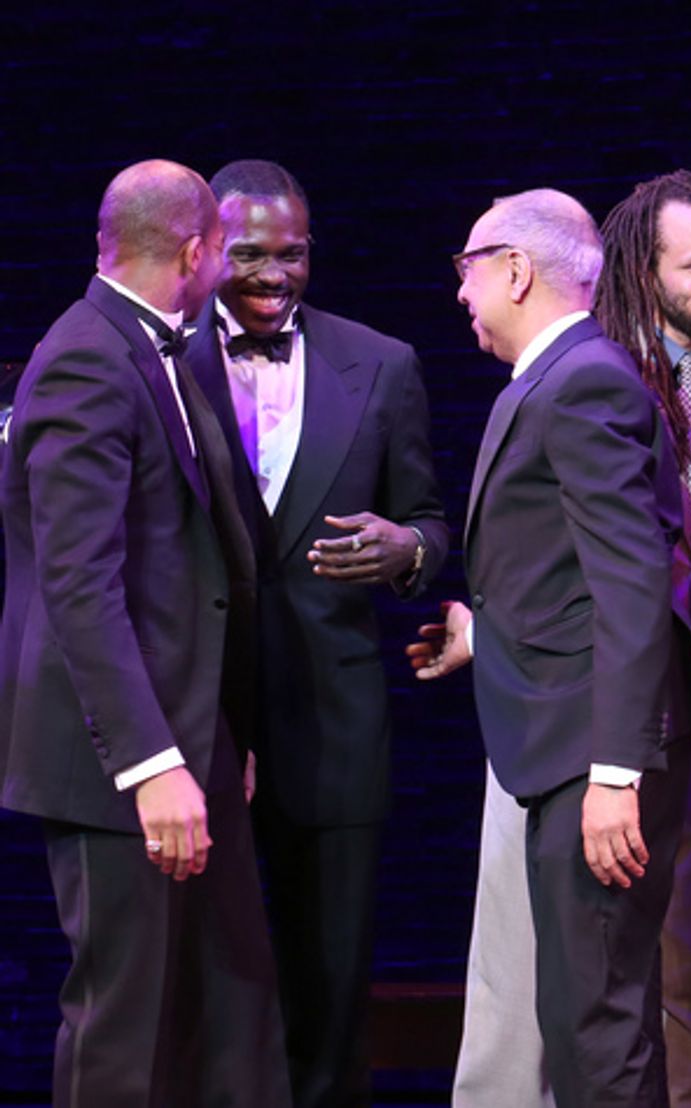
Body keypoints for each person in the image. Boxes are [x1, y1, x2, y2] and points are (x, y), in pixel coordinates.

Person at [449, 169, 691, 1108]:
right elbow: (556, 562)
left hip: (665, 722)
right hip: (575, 714)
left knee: (674, 974)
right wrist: (470, 617)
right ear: (641, 269)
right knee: (561, 978)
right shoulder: (596, 367)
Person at [410, 188, 691, 1107]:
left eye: (467, 269)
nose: (461, 293)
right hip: (565, 744)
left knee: (598, 1023)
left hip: (594, 755)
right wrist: (485, 634)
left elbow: (628, 584)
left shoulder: (585, 380)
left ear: (514, 268)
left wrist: (614, 772)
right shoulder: (557, 380)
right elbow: (565, 576)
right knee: (585, 1015)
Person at [0, 160, 290, 1107]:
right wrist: (151, 763)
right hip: (123, 759)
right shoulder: (89, 355)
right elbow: (77, 583)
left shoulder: (154, 346)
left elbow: (200, 567)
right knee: (126, 1022)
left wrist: (220, 737)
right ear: (200, 251)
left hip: (190, 739)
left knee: (223, 1011)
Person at [178, 159, 449, 1107]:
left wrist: (405, 548)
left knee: (329, 998)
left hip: (334, 727)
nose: (273, 275)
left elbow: (433, 525)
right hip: (195, 728)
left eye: (293, 255)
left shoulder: (381, 363)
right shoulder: (164, 363)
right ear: (207, 251)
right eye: (249, 254)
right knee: (201, 996)